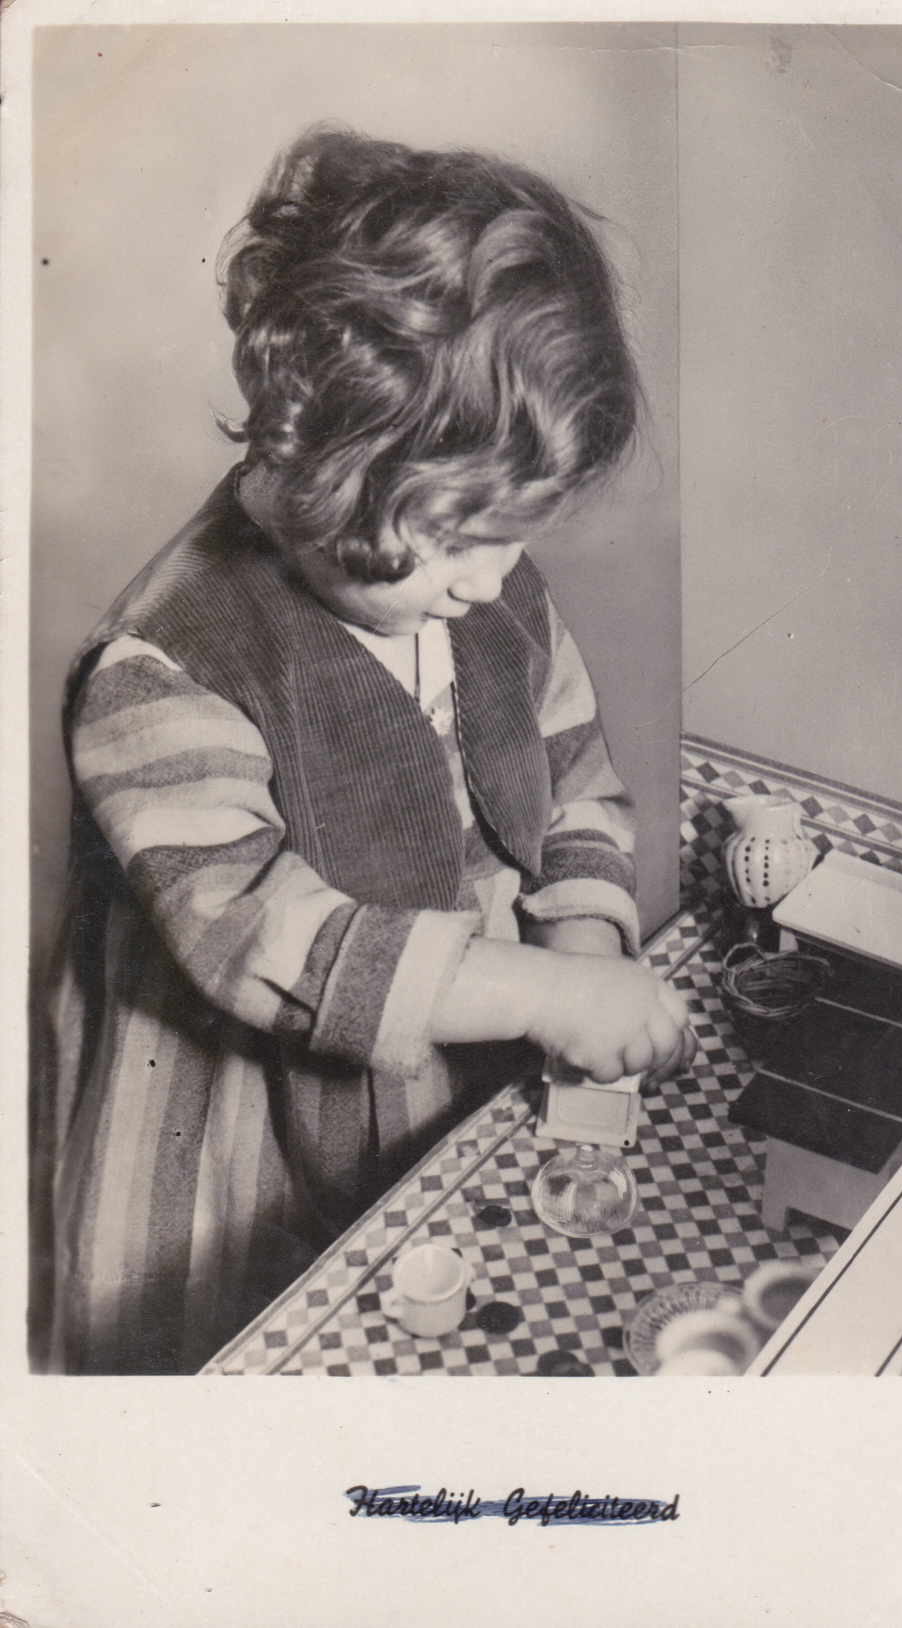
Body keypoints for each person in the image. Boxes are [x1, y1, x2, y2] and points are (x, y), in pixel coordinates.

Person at [32, 126, 695, 1375]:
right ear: (326, 470)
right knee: (253, 1361)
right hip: (243, 1140)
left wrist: (582, 941)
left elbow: (573, 780)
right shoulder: (163, 666)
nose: (492, 578)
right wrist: (543, 993)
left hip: (443, 1079)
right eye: (457, 539)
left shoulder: (477, 581)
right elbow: (261, 938)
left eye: (510, 532)